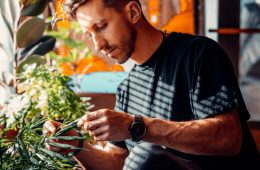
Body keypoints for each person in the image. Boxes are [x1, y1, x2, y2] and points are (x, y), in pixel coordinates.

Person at [44, 0, 260, 169]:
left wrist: (137, 126)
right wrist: (77, 146)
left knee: (145, 156)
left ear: (133, 13)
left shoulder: (198, 53)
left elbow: (229, 138)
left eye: (101, 27)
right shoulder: (127, 90)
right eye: (90, 35)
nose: (98, 45)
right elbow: (118, 163)